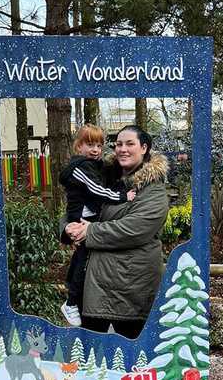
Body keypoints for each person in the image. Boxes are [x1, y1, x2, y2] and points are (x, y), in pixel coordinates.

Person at [65, 125, 169, 339]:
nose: (122, 149)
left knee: (133, 356)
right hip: (94, 287)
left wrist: (89, 232)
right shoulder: (101, 177)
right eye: (119, 144)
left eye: (130, 144)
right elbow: (77, 205)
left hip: (130, 287)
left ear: (144, 148)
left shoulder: (153, 190)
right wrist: (68, 227)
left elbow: (135, 228)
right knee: (92, 356)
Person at [59, 124, 136, 327]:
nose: (95, 150)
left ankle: (72, 300)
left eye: (99, 146)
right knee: (82, 263)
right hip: (83, 219)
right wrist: (123, 196)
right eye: (90, 144)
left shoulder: (94, 166)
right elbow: (97, 190)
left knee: (80, 260)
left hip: (89, 221)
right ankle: (71, 302)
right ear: (78, 146)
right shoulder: (82, 167)